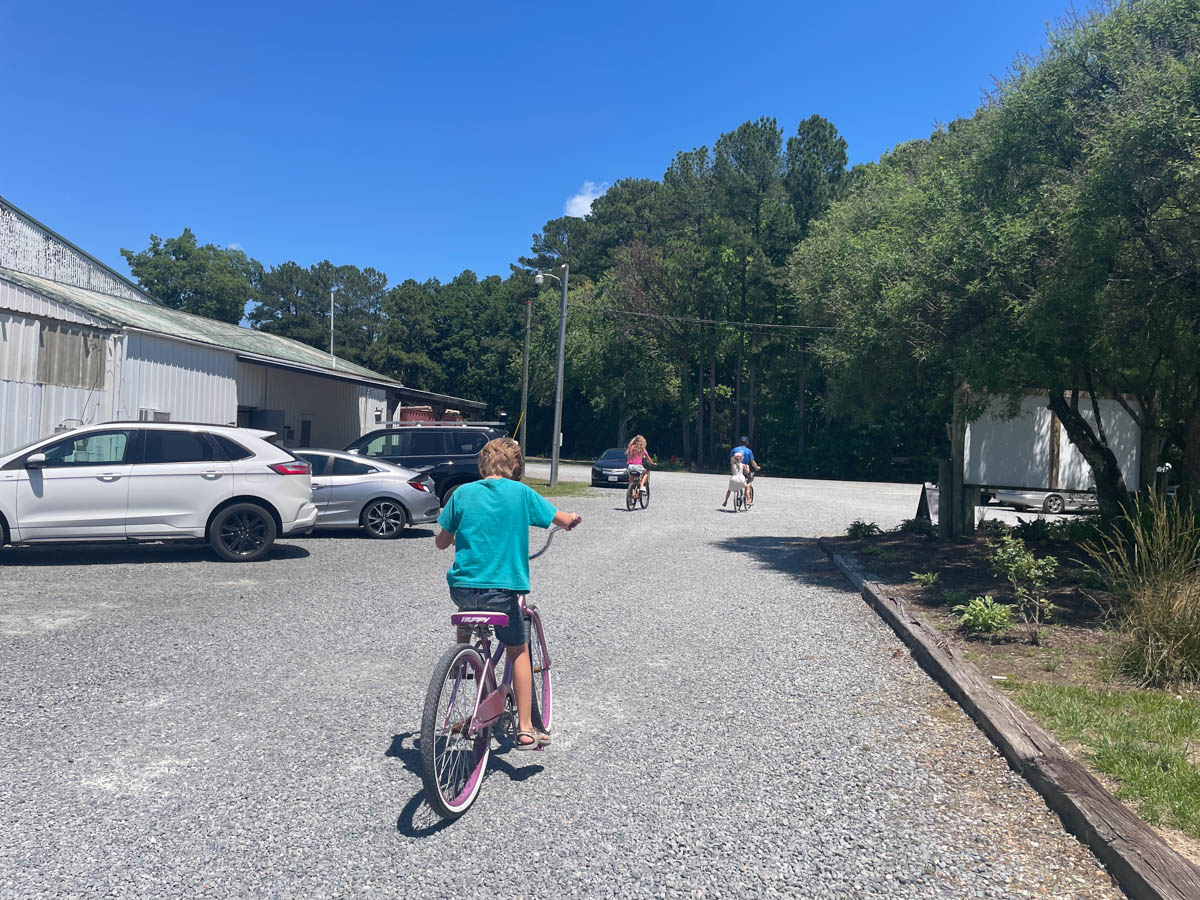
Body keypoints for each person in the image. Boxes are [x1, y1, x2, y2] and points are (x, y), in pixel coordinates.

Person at [434, 437, 581, 751]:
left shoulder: (461, 493)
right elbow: (559, 518)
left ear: (482, 465)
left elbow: (441, 542)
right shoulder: (521, 493)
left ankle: (463, 654)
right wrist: (570, 520)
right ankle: (526, 729)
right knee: (518, 651)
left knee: (469, 604)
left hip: (462, 590)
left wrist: (457, 535)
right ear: (514, 466)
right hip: (502, 593)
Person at [730, 436, 761, 507]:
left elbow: (731, 460)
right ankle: (748, 500)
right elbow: (752, 462)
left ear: (740, 442)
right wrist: (756, 467)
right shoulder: (749, 451)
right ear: (747, 443)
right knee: (749, 480)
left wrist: (732, 469)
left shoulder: (734, 449)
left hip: (735, 469)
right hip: (744, 469)